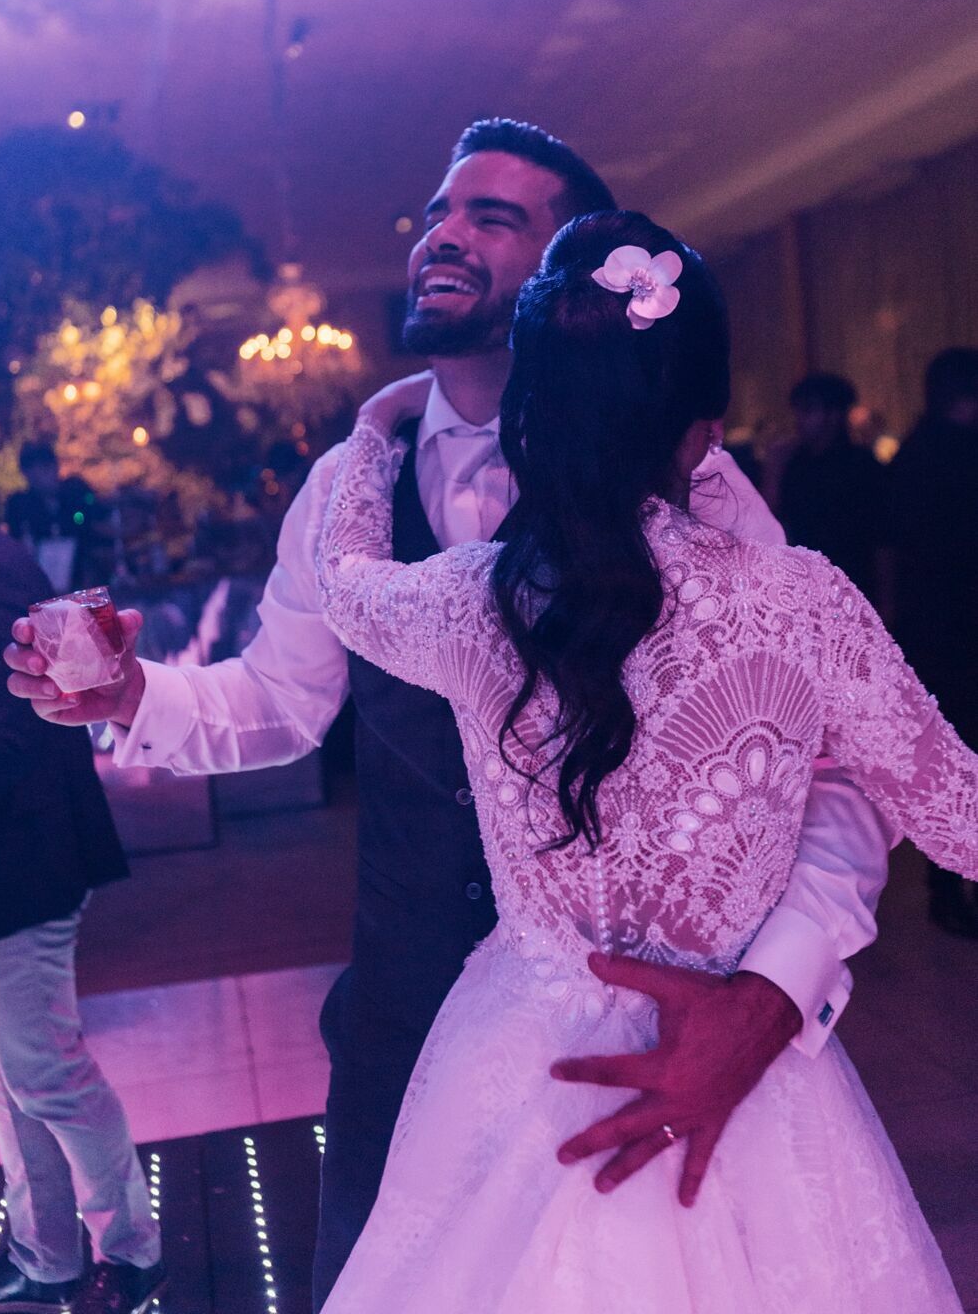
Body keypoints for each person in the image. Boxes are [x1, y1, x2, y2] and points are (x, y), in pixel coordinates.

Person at [5, 121, 892, 1309]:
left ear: (569, 276)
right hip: (411, 1031)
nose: (444, 233)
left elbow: (830, 769)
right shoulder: (347, 483)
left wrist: (771, 992)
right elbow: (282, 698)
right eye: (438, 211)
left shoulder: (696, 489)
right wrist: (129, 694)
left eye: (493, 217)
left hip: (656, 1041)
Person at [313, 213, 974, 1312]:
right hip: (749, 1086)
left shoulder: (464, 604)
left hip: (516, 1060)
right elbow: (960, 816)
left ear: (522, 421)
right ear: (704, 428)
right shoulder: (796, 600)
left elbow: (342, 578)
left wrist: (375, 434)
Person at [0, 407, 164, 1314]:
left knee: (48, 1073)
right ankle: (47, 1254)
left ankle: (132, 1254)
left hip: (10, 865)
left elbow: (8, 740)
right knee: (3, 1077)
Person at [888, 348, 978, 938]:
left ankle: (947, 887)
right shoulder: (952, 454)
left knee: (949, 758)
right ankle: (954, 886)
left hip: (933, 625)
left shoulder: (913, 455)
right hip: (959, 623)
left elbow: (891, 548)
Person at [776, 372, 887, 599]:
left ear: (834, 415)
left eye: (807, 410)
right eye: (797, 410)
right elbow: (773, 520)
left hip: (855, 583)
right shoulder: (794, 463)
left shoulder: (862, 466)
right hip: (805, 585)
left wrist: (887, 598)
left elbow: (884, 537)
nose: (798, 419)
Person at [5, 442, 105, 593]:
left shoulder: (74, 493)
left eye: (46, 468)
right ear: (26, 474)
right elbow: (18, 543)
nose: (42, 477)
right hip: (39, 584)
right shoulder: (19, 504)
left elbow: (94, 525)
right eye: (33, 472)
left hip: (81, 581)